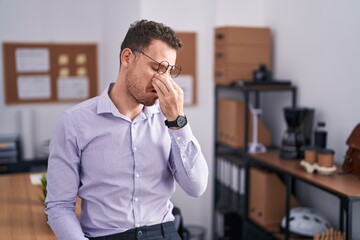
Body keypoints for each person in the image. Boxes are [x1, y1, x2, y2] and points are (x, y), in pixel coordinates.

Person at [45, 19, 209, 240]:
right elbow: (59, 207)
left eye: (168, 71)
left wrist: (178, 121)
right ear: (127, 58)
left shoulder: (169, 120)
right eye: (156, 67)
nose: (163, 80)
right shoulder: (74, 122)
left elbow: (196, 187)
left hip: (164, 232)